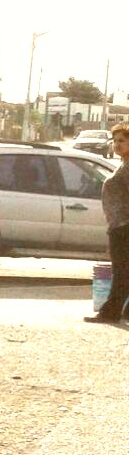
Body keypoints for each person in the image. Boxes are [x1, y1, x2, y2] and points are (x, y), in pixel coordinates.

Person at [85, 122, 129, 323]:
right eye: (115, 140)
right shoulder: (124, 164)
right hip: (119, 225)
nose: (117, 144)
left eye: (123, 140)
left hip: (124, 226)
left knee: (121, 270)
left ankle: (110, 312)